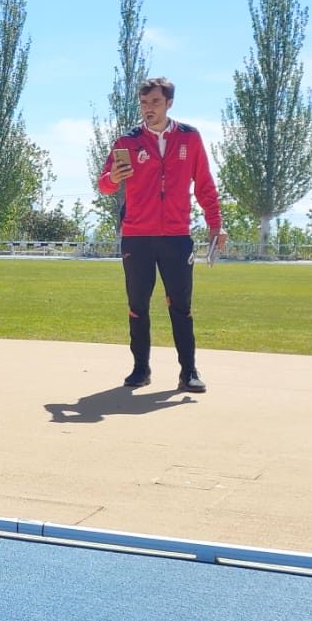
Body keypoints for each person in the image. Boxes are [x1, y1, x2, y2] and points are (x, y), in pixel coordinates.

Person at [96, 76, 223, 394]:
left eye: (154, 102)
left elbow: (204, 185)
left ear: (169, 103)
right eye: (143, 103)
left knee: (181, 305)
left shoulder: (190, 138)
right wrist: (112, 177)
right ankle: (140, 369)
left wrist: (215, 225)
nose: (147, 109)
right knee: (137, 304)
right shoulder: (128, 141)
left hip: (176, 236)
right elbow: (105, 185)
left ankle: (189, 371)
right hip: (137, 237)